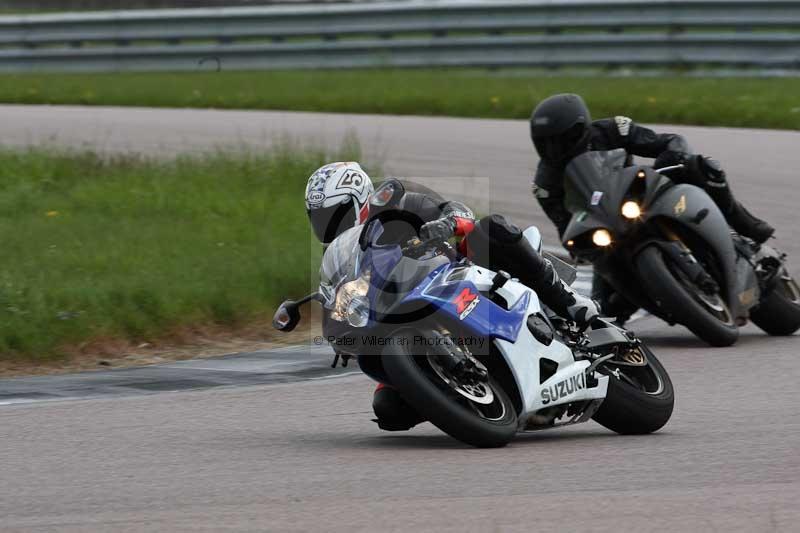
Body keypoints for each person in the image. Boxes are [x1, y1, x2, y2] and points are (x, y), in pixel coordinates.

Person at [305, 161, 599, 430]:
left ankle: (568, 300)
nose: (328, 223)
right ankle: (467, 400)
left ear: (359, 201)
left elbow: (456, 210)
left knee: (490, 229)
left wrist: (446, 223)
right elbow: (338, 300)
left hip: (454, 273)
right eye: (319, 217)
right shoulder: (341, 258)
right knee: (389, 410)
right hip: (401, 317)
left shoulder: (396, 207)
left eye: (335, 213)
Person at [529, 93, 775, 319]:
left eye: (562, 140)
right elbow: (564, 225)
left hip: (642, 194)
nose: (555, 149)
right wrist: (579, 245)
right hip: (607, 225)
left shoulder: (612, 130)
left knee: (704, 167)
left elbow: (666, 142)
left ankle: (745, 224)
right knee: (603, 308)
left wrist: (672, 158)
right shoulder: (545, 184)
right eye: (547, 143)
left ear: (581, 129)